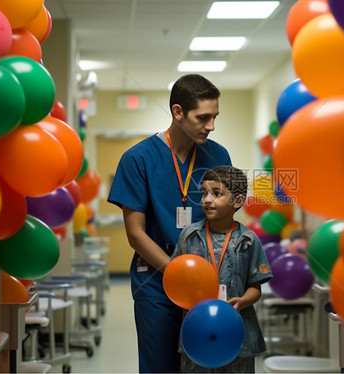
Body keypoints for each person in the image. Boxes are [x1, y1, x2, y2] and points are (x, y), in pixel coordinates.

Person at [107, 74, 232, 373]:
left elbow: (225, 221)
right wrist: (178, 274)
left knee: (207, 364)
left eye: (214, 117)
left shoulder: (218, 155)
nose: (211, 125)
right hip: (157, 282)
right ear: (178, 112)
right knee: (160, 365)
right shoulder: (138, 159)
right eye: (203, 117)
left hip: (207, 280)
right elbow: (136, 234)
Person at [171, 166, 273, 373]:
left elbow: (255, 288)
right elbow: (176, 278)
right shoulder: (190, 236)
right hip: (198, 330)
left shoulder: (248, 241)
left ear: (237, 201)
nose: (207, 200)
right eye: (204, 193)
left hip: (237, 332)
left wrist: (243, 301)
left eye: (216, 193)